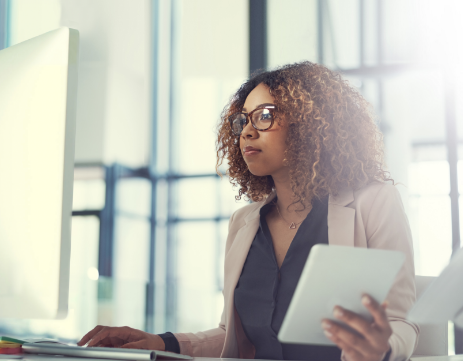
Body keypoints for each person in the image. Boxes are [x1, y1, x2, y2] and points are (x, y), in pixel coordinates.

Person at [77, 62, 418, 361]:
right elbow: (232, 339)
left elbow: (403, 324)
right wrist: (161, 342)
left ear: (309, 125)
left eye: (265, 116)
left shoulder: (373, 204)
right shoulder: (244, 224)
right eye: (243, 121)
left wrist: (381, 349)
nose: (248, 132)